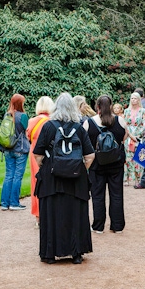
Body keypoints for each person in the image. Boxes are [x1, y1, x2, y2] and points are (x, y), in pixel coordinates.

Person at [34, 93, 95, 264]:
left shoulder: (48, 127)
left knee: (51, 214)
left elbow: (38, 154)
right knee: (75, 214)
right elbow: (90, 156)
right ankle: (76, 253)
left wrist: (48, 167)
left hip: (52, 179)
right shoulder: (79, 128)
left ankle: (50, 253)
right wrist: (77, 169)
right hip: (75, 181)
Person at [84, 95, 128, 233]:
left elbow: (84, 142)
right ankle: (117, 225)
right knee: (116, 194)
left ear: (97, 107)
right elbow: (124, 138)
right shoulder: (120, 121)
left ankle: (98, 226)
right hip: (116, 163)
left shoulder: (89, 123)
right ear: (111, 106)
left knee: (97, 195)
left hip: (96, 164)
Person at [27, 96, 55, 227]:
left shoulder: (32, 121)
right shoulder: (52, 121)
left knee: (36, 183)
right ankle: (50, 214)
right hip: (50, 154)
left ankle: (38, 216)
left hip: (34, 154)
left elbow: (28, 136)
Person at [0, 94, 30, 210]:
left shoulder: (7, 115)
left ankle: (4, 203)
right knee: (17, 176)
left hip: (8, 148)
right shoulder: (23, 116)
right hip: (20, 149)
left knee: (8, 175)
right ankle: (14, 203)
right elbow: (26, 132)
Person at [124, 92, 145, 186]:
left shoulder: (143, 111)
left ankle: (139, 178)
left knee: (139, 157)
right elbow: (125, 124)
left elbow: (144, 124)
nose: (133, 100)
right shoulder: (126, 111)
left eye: (135, 98)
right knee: (128, 158)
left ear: (139, 100)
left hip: (138, 136)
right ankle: (127, 178)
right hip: (129, 136)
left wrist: (138, 136)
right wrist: (130, 135)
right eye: (132, 98)